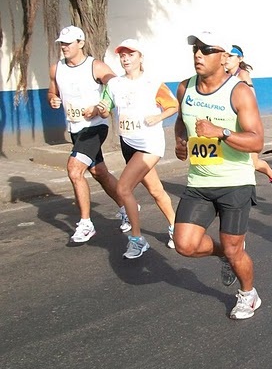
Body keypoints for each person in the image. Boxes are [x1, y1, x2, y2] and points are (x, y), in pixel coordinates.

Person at [173, 30, 264, 320]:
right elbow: (181, 120)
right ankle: (223, 253)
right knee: (183, 245)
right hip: (199, 182)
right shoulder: (185, 87)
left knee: (236, 248)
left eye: (207, 49)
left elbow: (256, 140)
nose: (198, 54)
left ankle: (248, 294)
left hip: (234, 183)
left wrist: (221, 132)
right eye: (196, 49)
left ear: (224, 57)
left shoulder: (238, 91)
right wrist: (180, 141)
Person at [96, 39, 179, 258]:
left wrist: (158, 116)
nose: (125, 59)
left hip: (150, 144)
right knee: (156, 190)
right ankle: (175, 228)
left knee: (123, 189)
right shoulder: (114, 84)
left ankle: (137, 239)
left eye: (130, 54)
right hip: (128, 144)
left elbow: (173, 105)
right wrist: (102, 109)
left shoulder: (152, 82)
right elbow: (106, 108)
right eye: (122, 55)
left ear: (140, 57)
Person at [47, 25, 129, 243]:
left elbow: (115, 86)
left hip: (94, 128)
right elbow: (52, 91)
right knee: (98, 171)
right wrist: (52, 99)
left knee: (75, 170)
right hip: (75, 129)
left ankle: (86, 223)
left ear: (80, 43)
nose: (64, 47)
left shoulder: (95, 66)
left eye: (68, 43)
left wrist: (100, 105)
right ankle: (127, 208)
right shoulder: (57, 68)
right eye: (61, 44)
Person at [224, 45, 272, 194]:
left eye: (231, 56)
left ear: (240, 59)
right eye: (225, 55)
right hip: (229, 124)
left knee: (253, 163)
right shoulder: (222, 75)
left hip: (247, 125)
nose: (227, 59)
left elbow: (251, 101)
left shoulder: (242, 75)